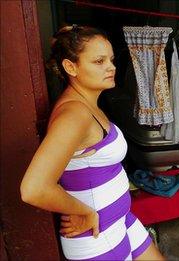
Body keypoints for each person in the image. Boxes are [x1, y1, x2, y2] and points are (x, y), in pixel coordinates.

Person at [20, 25, 165, 260]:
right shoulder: (73, 115)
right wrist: (83, 211)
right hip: (98, 235)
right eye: (99, 61)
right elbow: (33, 189)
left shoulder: (88, 104)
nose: (111, 67)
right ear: (71, 67)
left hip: (120, 220)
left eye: (111, 59)